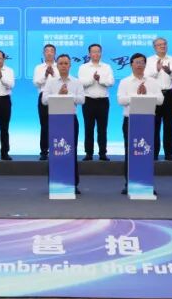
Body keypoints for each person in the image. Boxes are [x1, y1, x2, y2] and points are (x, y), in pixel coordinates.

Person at [116, 52, 163, 194]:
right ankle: (129, 183)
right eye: (137, 62)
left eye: (142, 62)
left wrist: (147, 95)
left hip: (148, 121)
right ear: (131, 65)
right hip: (130, 120)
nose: (139, 65)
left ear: (145, 65)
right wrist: (136, 96)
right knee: (130, 151)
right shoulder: (125, 82)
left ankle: (147, 183)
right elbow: (121, 100)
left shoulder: (152, 82)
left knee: (147, 152)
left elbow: (160, 100)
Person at [42, 54, 86, 193]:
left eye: (66, 63)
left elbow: (82, 100)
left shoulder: (76, 82)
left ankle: (73, 183)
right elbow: (44, 100)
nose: (63, 66)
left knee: (71, 151)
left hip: (71, 119)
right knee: (55, 151)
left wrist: (69, 96)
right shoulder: (51, 82)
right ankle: (54, 181)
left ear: (70, 65)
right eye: (61, 63)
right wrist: (59, 95)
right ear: (57, 65)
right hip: (55, 120)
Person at [146, 37, 172, 161]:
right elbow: (146, 77)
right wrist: (157, 70)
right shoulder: (149, 60)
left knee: (169, 126)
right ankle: (153, 154)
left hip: (170, 94)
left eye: (164, 44)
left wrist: (170, 72)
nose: (163, 46)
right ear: (154, 47)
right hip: (154, 94)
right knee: (154, 126)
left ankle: (169, 154)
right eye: (160, 44)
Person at [78, 43, 115, 161]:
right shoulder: (83, 67)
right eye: (93, 51)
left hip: (103, 101)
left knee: (102, 129)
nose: (96, 54)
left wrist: (100, 80)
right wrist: (92, 79)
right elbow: (81, 83)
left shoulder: (106, 67)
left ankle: (102, 153)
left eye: (98, 51)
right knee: (88, 128)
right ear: (89, 53)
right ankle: (89, 153)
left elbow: (111, 82)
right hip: (88, 101)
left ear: (101, 53)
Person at [32, 44, 58, 160]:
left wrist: (53, 74)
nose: (49, 53)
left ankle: (57, 149)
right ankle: (44, 151)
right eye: (47, 51)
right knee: (44, 125)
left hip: (58, 96)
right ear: (43, 53)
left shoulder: (59, 65)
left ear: (55, 53)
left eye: (52, 51)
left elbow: (62, 80)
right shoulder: (39, 68)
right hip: (44, 95)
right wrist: (46, 75)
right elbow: (36, 83)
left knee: (58, 124)